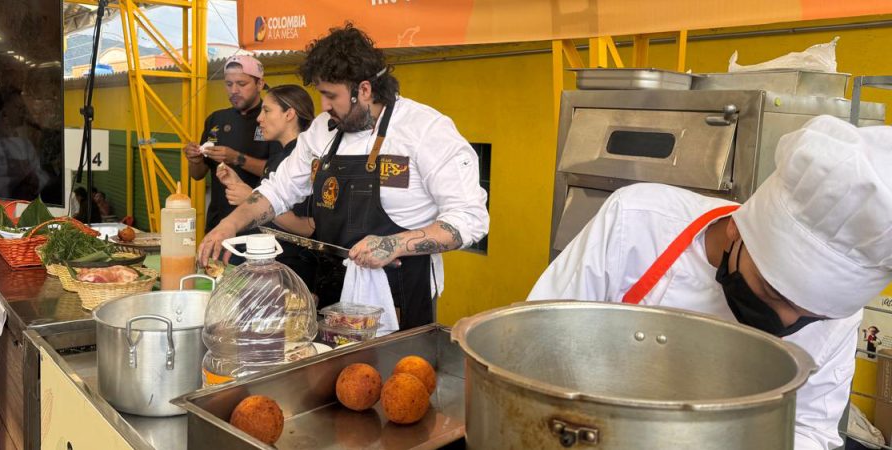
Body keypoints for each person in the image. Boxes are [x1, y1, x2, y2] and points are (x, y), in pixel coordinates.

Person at [526, 116, 892, 450]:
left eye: (809, 315)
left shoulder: (839, 315)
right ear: (738, 229)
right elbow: (539, 347)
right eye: (773, 292)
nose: (783, 321)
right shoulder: (639, 222)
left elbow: (809, 430)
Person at [200, 25, 490, 330]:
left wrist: (395, 243)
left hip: (399, 296)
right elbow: (278, 189)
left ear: (364, 90)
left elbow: (470, 219)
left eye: (330, 96)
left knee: (398, 375)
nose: (324, 106)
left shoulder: (425, 130)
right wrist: (228, 225)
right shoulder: (322, 130)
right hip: (332, 294)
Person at [216, 84, 318, 296]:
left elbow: (307, 227)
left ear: (289, 114)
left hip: (289, 271)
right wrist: (241, 188)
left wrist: (250, 196)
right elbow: (266, 201)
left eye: (267, 110)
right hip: (264, 263)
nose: (259, 118)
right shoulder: (278, 158)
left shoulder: (306, 160)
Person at [184, 55, 276, 235]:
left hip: (258, 227)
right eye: (229, 84)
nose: (234, 90)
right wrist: (194, 159)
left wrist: (236, 158)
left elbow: (279, 172)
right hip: (218, 223)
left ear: (259, 84)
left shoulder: (273, 119)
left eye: (242, 84)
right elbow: (197, 175)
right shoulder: (216, 119)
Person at [0, 86, 50, 200]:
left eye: (23, 108)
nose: (23, 113)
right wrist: (15, 182)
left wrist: (36, 180)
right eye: (18, 108)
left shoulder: (25, 144)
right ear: (4, 113)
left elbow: (40, 173)